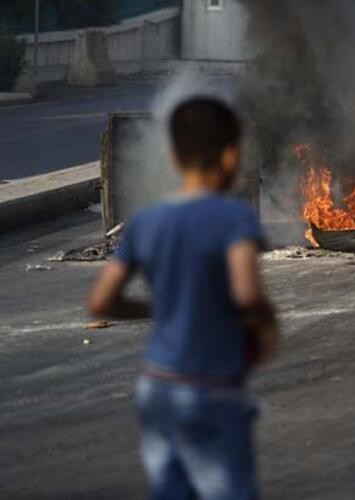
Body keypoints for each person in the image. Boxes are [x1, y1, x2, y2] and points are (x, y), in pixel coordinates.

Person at [88, 97, 278, 500]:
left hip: (158, 384)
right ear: (231, 156)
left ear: (174, 157)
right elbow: (246, 294)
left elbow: (102, 301)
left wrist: (160, 307)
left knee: (171, 488)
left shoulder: (145, 221)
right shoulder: (234, 218)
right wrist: (265, 325)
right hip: (213, 385)